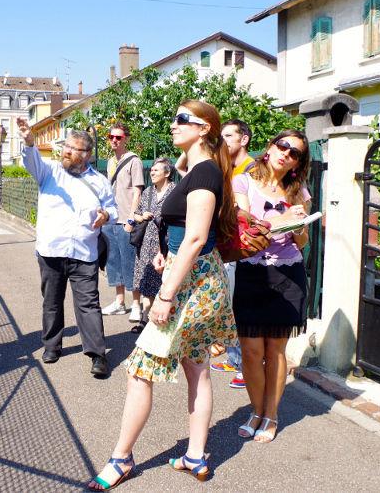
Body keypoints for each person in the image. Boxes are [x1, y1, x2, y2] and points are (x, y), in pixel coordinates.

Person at [88, 100, 240, 489]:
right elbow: (183, 234)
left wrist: (167, 294)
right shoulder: (197, 170)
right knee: (197, 368)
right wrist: (165, 254)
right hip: (196, 276)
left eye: (181, 120)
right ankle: (195, 456)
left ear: (204, 128)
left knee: (140, 371)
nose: (173, 125)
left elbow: (196, 237)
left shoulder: (204, 172)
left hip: (189, 285)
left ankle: (121, 459)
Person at [17, 117, 117, 378]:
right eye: (65, 147)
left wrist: (106, 216)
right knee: (51, 301)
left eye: (72, 149)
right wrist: (29, 139)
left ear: (86, 154)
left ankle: (97, 354)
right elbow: (31, 160)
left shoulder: (99, 181)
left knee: (89, 304)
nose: (66, 152)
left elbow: (113, 208)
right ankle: (51, 345)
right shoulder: (49, 172)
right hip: (52, 251)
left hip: (85, 252)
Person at [232, 129, 311, 443]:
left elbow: (302, 242)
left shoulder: (297, 192)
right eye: (283, 146)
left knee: (276, 351)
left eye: (295, 153)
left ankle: (271, 414)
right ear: (270, 147)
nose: (286, 154)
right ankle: (255, 410)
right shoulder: (244, 182)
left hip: (287, 274)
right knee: (251, 352)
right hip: (252, 272)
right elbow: (245, 224)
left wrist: (300, 224)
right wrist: (278, 221)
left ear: (297, 163)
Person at [177, 119, 255, 389]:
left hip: (231, 251)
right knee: (229, 311)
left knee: (237, 310)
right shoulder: (222, 167)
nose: (224, 141)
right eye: (221, 136)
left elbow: (247, 212)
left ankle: (242, 364)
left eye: (229, 136)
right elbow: (180, 167)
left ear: (244, 139)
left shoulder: (249, 170)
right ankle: (234, 358)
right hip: (223, 251)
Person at [100, 123, 145, 324]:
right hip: (110, 219)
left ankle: (136, 304)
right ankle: (119, 302)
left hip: (125, 220)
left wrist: (130, 219)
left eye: (118, 137)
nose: (114, 140)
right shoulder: (110, 161)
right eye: (111, 137)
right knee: (113, 263)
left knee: (129, 263)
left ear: (125, 138)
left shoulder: (133, 160)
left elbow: (137, 191)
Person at [129, 157, 175, 334]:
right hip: (145, 243)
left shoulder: (175, 191)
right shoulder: (148, 192)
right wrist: (143, 216)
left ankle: (163, 318)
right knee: (146, 281)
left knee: (164, 280)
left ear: (167, 173)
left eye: (156, 170)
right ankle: (145, 318)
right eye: (152, 170)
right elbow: (136, 215)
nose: (152, 173)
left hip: (165, 243)